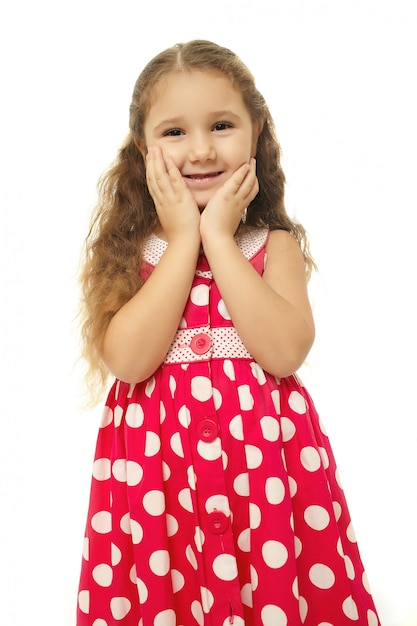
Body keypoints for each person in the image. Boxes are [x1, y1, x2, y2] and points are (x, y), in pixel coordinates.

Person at [76, 40, 380, 626]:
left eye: (221, 125)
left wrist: (219, 238)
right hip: (162, 480)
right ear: (143, 147)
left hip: (264, 473)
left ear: (256, 129)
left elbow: (285, 351)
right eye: (173, 133)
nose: (201, 150)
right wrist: (183, 239)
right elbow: (131, 363)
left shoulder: (274, 247)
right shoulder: (134, 253)